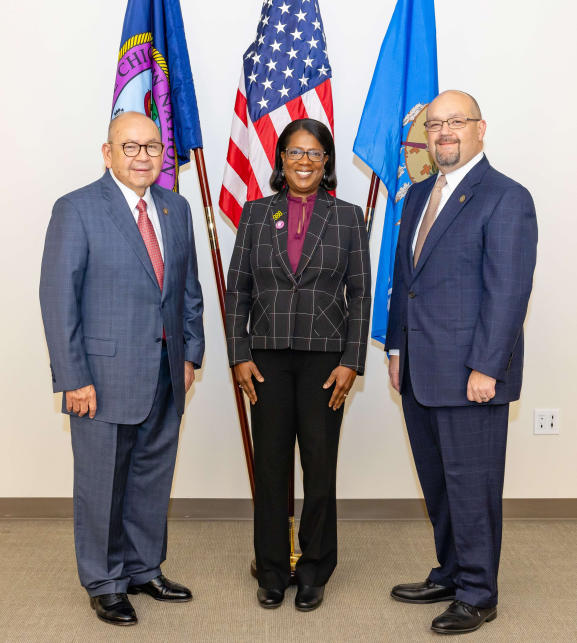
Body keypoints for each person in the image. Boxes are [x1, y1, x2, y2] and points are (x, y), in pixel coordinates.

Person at [39, 112, 204, 626]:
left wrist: (191, 353)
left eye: (152, 147)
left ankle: (141, 568)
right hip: (101, 378)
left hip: (165, 373)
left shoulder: (176, 208)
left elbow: (187, 291)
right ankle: (104, 582)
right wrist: (73, 377)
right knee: (101, 482)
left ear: (163, 154)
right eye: (129, 147)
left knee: (152, 477)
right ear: (107, 153)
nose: (142, 157)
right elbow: (57, 297)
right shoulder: (78, 209)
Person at [386, 91, 537, 634]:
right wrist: (397, 348)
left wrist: (486, 368)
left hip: (471, 374)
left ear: (480, 128)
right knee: (440, 484)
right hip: (419, 371)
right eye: (435, 124)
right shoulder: (418, 194)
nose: (444, 131)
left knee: (472, 486)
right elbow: (408, 283)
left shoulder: (506, 197)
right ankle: (451, 571)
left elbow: (507, 294)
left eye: (456, 121)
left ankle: (478, 592)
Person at [225, 118, 371, 611]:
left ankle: (314, 568)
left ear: (326, 163)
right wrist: (238, 354)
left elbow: (360, 294)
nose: (304, 161)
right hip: (264, 359)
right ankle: (271, 569)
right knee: (269, 467)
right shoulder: (254, 213)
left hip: (325, 362)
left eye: (314, 153)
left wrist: (352, 361)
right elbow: (237, 291)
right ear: (281, 160)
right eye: (294, 152)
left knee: (319, 466)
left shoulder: (348, 217)